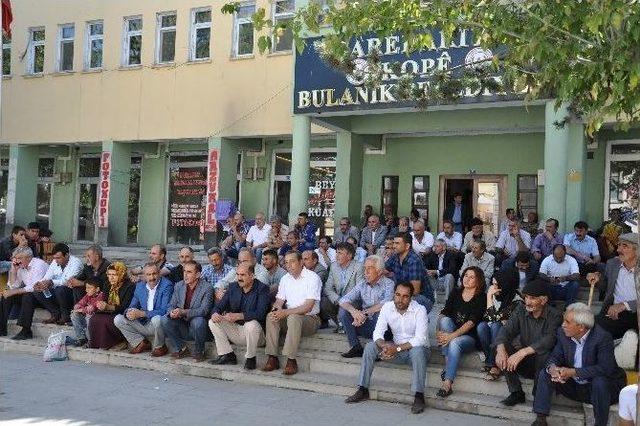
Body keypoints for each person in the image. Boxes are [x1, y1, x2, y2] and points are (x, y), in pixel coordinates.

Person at [532, 303, 626, 426]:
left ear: (581, 327)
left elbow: (605, 368)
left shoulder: (602, 337)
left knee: (600, 381)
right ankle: (540, 419)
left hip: (601, 389)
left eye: (567, 322)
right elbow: (555, 356)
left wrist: (574, 372)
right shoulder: (562, 333)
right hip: (576, 385)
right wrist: (553, 368)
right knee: (545, 373)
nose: (563, 325)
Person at [344, 281, 429, 414]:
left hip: (417, 352)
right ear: (394, 294)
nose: (400, 299)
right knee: (371, 346)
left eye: (405, 296)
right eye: (397, 295)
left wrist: (397, 349)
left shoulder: (419, 310)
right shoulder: (387, 307)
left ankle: (419, 395)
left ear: (411, 298)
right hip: (396, 351)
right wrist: (384, 346)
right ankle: (363, 389)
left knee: (417, 351)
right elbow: (377, 333)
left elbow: (420, 339)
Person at [495, 279, 563, 406]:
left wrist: (522, 352)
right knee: (501, 346)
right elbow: (506, 330)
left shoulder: (555, 315)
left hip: (543, 365)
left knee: (544, 353)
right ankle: (516, 392)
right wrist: (500, 349)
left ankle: (538, 394)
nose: (527, 301)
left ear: (543, 300)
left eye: (532, 298)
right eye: (526, 297)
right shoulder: (521, 310)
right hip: (524, 362)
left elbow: (549, 340)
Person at [262, 251, 322, 375]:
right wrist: (276, 309)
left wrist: (285, 312)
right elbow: (279, 300)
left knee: (293, 317)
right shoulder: (285, 278)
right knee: (271, 316)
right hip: (290, 317)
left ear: (301, 262)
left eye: (292, 261)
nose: (289, 265)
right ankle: (272, 357)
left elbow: (308, 307)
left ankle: (291, 360)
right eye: (286, 262)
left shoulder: (313, 277)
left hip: (310, 319)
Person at [208, 263, 270, 370]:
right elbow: (218, 307)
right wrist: (215, 313)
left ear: (252, 276)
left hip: (257, 336)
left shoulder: (262, 288)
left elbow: (261, 313)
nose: (239, 278)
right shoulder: (233, 287)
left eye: (243, 275)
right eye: (238, 275)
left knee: (251, 325)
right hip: (237, 331)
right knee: (213, 321)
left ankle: (251, 358)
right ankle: (227, 355)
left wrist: (239, 316)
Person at [436, 266, 486, 397]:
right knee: (445, 321)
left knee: (455, 342)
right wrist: (438, 331)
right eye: (465, 275)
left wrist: (451, 336)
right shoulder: (456, 292)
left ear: (478, 280)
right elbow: (444, 312)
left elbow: (471, 322)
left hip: (469, 337)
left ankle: (447, 384)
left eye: (471, 277)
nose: (467, 279)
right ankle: (448, 365)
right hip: (452, 331)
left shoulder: (481, 297)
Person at [338, 255, 394, 358]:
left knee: (380, 313)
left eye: (370, 268)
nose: (366, 272)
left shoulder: (389, 284)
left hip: (385, 329)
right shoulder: (362, 284)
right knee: (343, 311)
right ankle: (355, 346)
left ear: (380, 271)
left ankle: (378, 350)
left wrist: (363, 313)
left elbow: (386, 304)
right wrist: (354, 312)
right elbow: (343, 300)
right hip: (364, 324)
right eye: (365, 268)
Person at [114, 263, 174, 356]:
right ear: (144, 276)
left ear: (159, 273)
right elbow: (132, 305)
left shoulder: (167, 285)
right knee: (118, 319)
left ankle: (160, 346)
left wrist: (142, 314)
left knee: (157, 319)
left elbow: (164, 310)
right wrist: (129, 313)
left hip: (159, 325)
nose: (152, 277)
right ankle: (140, 342)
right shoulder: (140, 286)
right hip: (144, 322)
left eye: (154, 274)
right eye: (148, 275)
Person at [588, 232, 638, 339]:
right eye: (619, 245)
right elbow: (604, 286)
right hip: (613, 313)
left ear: (637, 250)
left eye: (624, 246)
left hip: (636, 313)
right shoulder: (612, 264)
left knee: (597, 330)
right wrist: (596, 278)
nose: (619, 250)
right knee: (586, 326)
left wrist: (624, 305)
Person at [161, 261, 214, 362]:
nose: (185, 274)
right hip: (183, 326)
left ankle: (199, 351)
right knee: (164, 319)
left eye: (189, 272)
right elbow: (171, 305)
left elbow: (204, 310)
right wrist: (172, 312)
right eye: (184, 271)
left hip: (199, 329)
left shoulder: (207, 288)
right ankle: (181, 348)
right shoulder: (179, 285)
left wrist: (183, 312)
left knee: (199, 321)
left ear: (198, 274)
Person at [477, 269, 522, 381]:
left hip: (512, 337)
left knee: (496, 325)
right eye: (492, 284)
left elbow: (493, 318)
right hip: (496, 332)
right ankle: (490, 360)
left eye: (496, 285)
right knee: (482, 326)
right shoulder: (496, 295)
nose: (493, 287)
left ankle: (496, 365)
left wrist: (488, 297)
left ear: (505, 285)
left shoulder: (517, 302)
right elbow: (487, 317)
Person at [1, 247, 49, 339]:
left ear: (28, 257)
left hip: (44, 296)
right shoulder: (20, 266)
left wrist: (13, 291)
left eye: (19, 258)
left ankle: (26, 330)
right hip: (31, 295)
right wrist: (13, 271)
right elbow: (13, 286)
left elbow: (35, 287)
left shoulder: (39, 264)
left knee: (28, 296)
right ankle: (2, 328)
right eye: (15, 258)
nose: (16, 261)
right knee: (6, 296)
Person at [33, 243, 84, 325]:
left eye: (58, 258)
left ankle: (66, 316)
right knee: (38, 291)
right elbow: (47, 277)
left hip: (71, 293)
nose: (56, 260)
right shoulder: (55, 261)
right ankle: (55, 313)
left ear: (67, 255)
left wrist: (51, 282)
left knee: (60, 289)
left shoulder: (76, 263)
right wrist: (40, 283)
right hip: (57, 292)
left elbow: (67, 281)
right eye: (55, 258)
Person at [87, 262, 135, 350]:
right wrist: (101, 304)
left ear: (121, 274)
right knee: (94, 318)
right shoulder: (107, 284)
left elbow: (126, 307)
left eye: (115, 275)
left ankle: (118, 341)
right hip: (109, 311)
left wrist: (109, 307)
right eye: (109, 274)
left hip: (122, 313)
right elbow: (104, 300)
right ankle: (97, 343)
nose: (111, 277)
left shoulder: (129, 286)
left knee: (107, 321)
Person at [385, 232, 435, 313]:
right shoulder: (395, 256)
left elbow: (415, 291)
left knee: (393, 307)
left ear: (407, 246)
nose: (393, 246)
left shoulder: (414, 260)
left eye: (397, 243)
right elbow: (383, 270)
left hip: (422, 298)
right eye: (393, 243)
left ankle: (419, 320)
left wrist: (394, 297)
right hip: (403, 293)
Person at [321, 242, 364, 328]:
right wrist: (339, 300)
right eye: (336, 252)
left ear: (349, 255)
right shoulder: (333, 266)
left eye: (340, 253)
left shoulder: (359, 266)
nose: (336, 256)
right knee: (324, 302)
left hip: (352, 300)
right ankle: (340, 324)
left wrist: (345, 301)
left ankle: (347, 325)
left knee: (345, 308)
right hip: (338, 299)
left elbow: (359, 289)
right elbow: (328, 288)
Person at [69, 280, 105, 347]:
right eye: (86, 288)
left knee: (89, 316)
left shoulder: (101, 296)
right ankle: (81, 338)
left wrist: (80, 309)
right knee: (74, 315)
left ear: (97, 289)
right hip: (88, 318)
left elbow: (91, 309)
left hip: (97, 321)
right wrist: (77, 308)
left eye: (89, 288)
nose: (86, 290)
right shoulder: (88, 295)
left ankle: (91, 341)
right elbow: (79, 304)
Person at [424, 239, 457, 304]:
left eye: (437, 246)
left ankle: (447, 301)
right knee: (426, 274)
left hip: (446, 280)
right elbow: (426, 265)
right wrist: (427, 271)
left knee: (449, 276)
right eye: (434, 246)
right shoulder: (433, 255)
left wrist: (437, 272)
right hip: (436, 280)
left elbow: (451, 269)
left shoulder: (451, 255)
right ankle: (430, 299)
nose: (434, 248)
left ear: (444, 247)